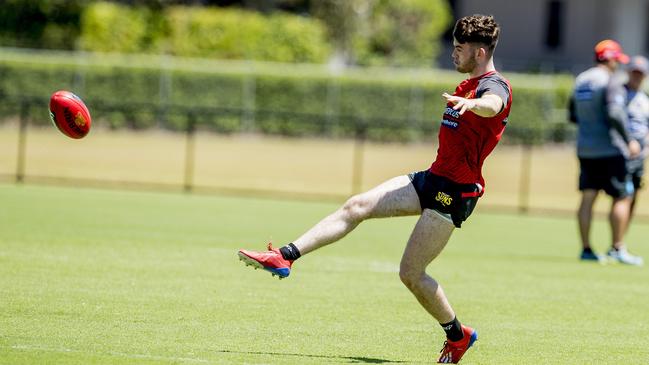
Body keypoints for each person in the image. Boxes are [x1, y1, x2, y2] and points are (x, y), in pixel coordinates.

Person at [238, 14, 512, 364]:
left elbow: (494, 104)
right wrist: (468, 100)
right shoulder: (463, 86)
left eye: (459, 49)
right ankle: (286, 256)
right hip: (432, 178)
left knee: (410, 274)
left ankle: (458, 336)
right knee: (357, 206)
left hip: (455, 192)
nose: (453, 54)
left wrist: (476, 104)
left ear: (479, 53)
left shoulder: (493, 86)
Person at [568, 40, 643, 265]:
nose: (617, 66)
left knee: (588, 197)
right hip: (610, 148)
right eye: (616, 61)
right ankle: (618, 248)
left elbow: (572, 115)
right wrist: (629, 139)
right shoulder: (611, 81)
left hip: (585, 148)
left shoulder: (581, 80)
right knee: (623, 196)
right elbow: (614, 112)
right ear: (610, 59)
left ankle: (586, 249)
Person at [621, 56, 649, 236]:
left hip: (640, 154)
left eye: (640, 74)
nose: (637, 77)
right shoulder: (619, 94)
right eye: (634, 73)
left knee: (633, 196)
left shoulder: (645, 99)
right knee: (622, 196)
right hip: (622, 151)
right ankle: (616, 244)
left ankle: (620, 239)